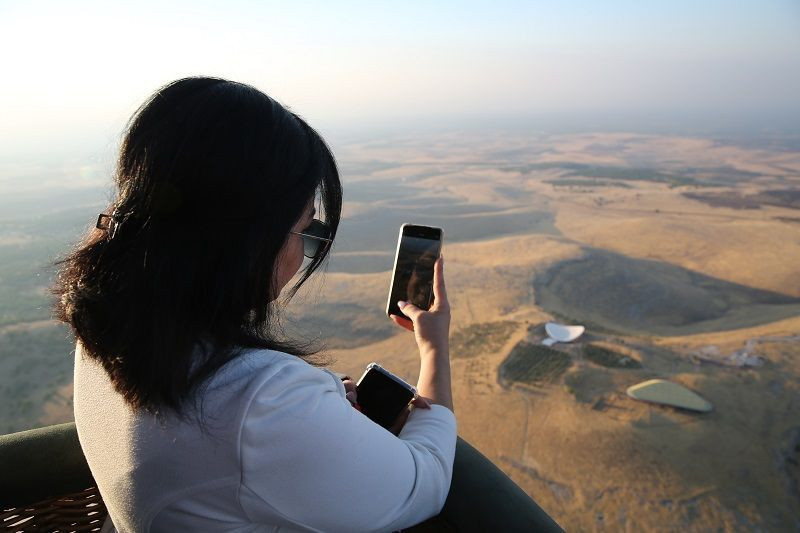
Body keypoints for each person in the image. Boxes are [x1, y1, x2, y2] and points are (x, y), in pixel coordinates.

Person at [54, 77, 456, 532]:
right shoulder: (261, 402)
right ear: (248, 237)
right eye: (305, 228)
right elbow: (427, 481)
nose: (304, 249)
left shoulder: (109, 325)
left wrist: (315, 416)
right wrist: (435, 347)